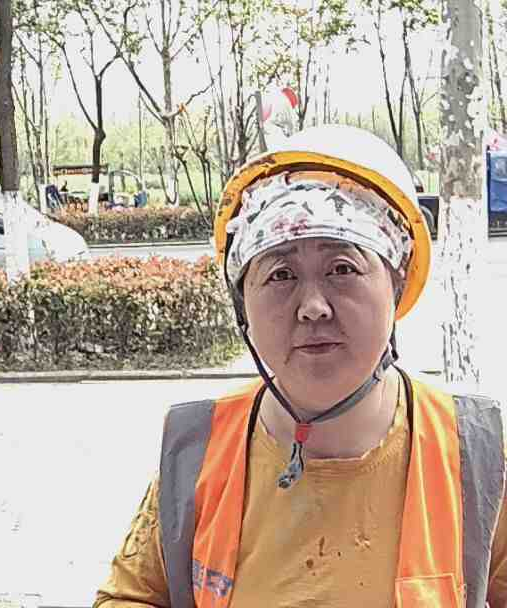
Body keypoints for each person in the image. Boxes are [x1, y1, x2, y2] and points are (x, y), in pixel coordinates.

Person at [92, 125, 507, 608]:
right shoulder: (198, 451)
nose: (312, 307)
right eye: (281, 274)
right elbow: (130, 596)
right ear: (244, 305)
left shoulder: (474, 453)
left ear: (396, 283)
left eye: (342, 268)